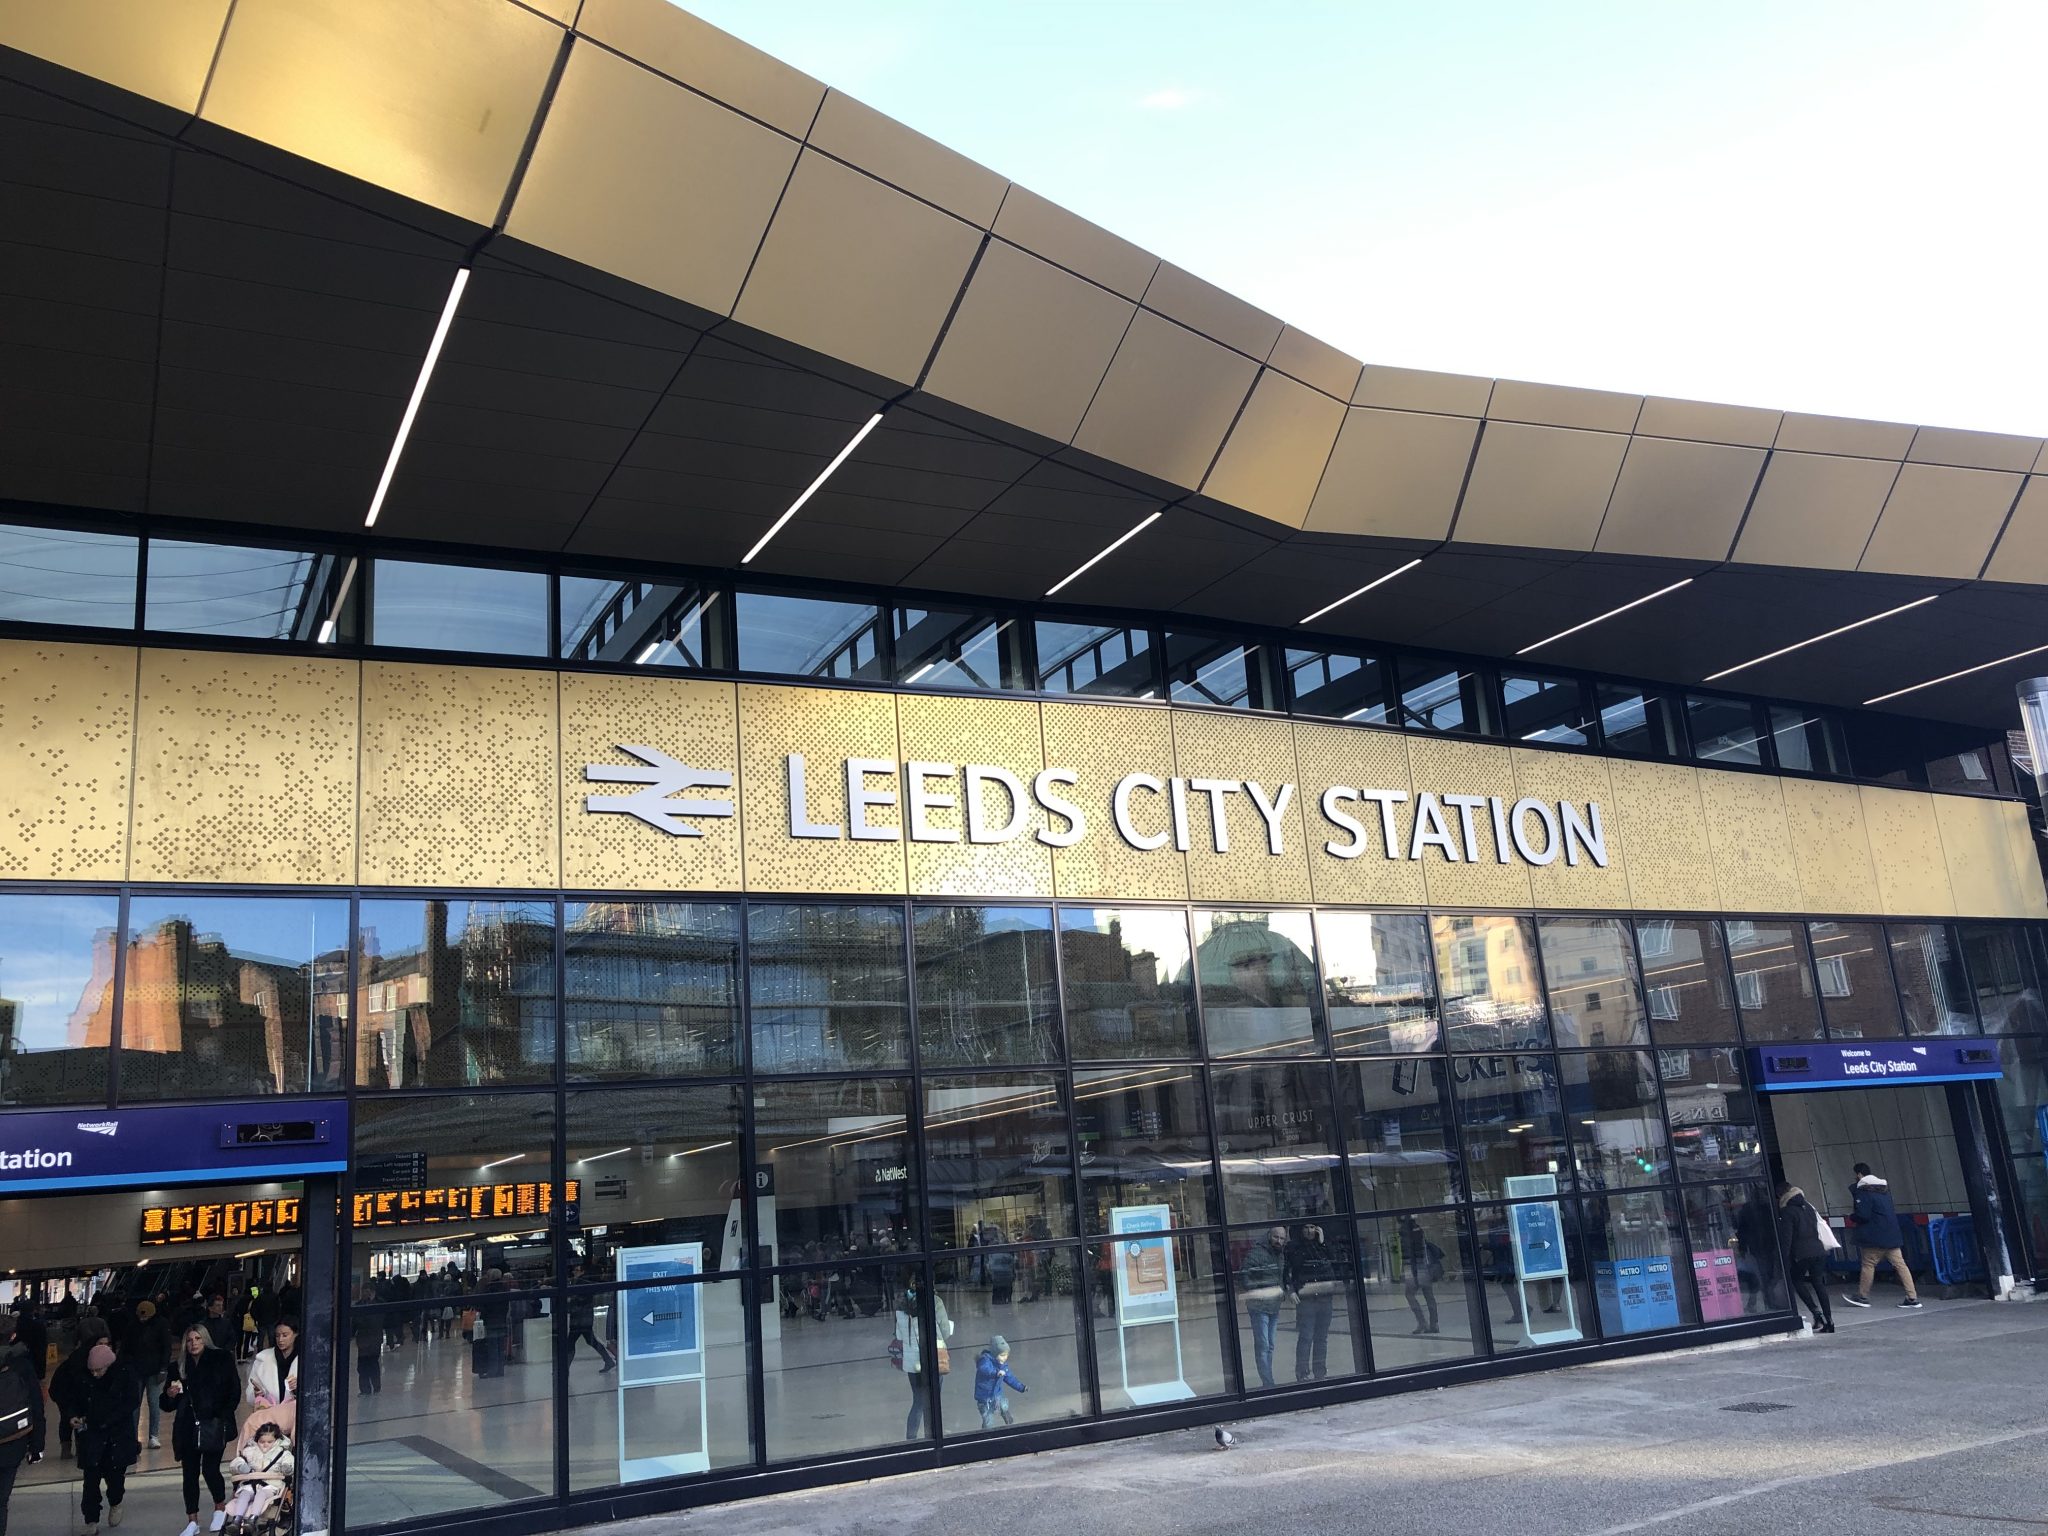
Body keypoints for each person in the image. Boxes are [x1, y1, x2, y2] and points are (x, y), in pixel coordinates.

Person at [162, 1322, 240, 1536]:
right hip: (187, 1426)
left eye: (197, 1339)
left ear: (205, 1339)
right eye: (189, 1340)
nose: (193, 1343)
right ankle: (192, 1520)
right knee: (190, 1474)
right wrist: (170, 1394)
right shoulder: (177, 1367)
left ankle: (219, 1507)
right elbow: (166, 1404)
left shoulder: (221, 1359)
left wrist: (222, 1416)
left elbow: (234, 1390)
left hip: (213, 1423)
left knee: (210, 1469)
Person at [56, 1341, 140, 1536]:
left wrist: (105, 1420)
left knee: (115, 1478)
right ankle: (91, 1519)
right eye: (92, 1370)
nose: (95, 1374)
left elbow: (130, 1403)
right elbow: (73, 1401)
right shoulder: (82, 1379)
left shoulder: (124, 1375)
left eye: (99, 1370)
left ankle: (116, 1501)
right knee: (90, 1480)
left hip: (116, 1436)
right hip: (91, 1435)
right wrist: (73, 1416)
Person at [1843, 1163, 1922, 1309]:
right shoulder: (1884, 1191)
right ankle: (1912, 1297)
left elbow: (1864, 1215)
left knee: (1868, 1264)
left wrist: (1852, 1216)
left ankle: (1862, 1296)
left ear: (1859, 1174)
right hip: (1891, 1235)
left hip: (1874, 1236)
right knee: (1900, 1265)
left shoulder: (1864, 1192)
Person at [0, 1308, 48, 1536]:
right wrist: (37, 1445)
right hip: (12, 1441)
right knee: (1, 1500)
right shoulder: (21, 1364)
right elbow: (36, 1407)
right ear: (12, 1336)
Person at [894, 1275, 953, 1439]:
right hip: (933, 1357)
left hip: (912, 1361)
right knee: (934, 1399)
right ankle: (934, 1434)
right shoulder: (934, 1301)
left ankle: (911, 1437)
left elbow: (899, 1335)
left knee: (918, 1401)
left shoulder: (901, 1304)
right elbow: (945, 1332)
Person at [1775, 1182, 1835, 1334]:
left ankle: (1816, 1313)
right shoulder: (1808, 1206)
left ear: (1781, 1195)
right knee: (1818, 1283)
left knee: (1797, 1281)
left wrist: (1783, 1258)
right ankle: (1830, 1320)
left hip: (1801, 1253)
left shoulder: (1788, 1212)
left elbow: (1787, 1238)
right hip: (1818, 1249)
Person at [1286, 1223, 1340, 1381]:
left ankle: (1320, 1371)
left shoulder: (1323, 1245)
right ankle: (1302, 1372)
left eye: (1312, 1228)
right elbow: (1288, 1270)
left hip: (1324, 1296)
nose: (1309, 1231)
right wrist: (1291, 1290)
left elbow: (1333, 1258)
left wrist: (1322, 1241)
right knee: (1306, 1336)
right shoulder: (1295, 1247)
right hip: (1306, 1297)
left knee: (1321, 1337)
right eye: (1306, 1228)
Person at [51, 1316, 110, 1459]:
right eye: (101, 1343)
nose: (104, 1347)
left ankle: (78, 1447)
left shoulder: (86, 1354)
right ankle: (69, 1447)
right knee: (68, 1417)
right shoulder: (81, 1359)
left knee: (76, 1417)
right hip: (65, 1391)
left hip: (71, 1390)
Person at [1237, 1226, 1289, 1389]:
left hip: (1273, 1305)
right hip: (1259, 1306)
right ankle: (1268, 1382)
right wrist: (1258, 1291)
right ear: (1269, 1236)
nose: (1279, 1241)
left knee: (1270, 1344)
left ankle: (1268, 1379)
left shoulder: (1279, 1254)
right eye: (1276, 1237)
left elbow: (1279, 1276)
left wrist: (1281, 1292)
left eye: (1282, 1238)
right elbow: (1244, 1275)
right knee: (1263, 1345)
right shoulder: (1256, 1253)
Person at [221, 1422, 292, 1530]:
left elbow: (290, 1463)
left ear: (277, 1440)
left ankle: (252, 1519)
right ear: (256, 1440)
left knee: (261, 1494)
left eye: (269, 1442)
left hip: (271, 1485)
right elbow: (237, 1461)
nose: (265, 1444)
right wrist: (240, 1466)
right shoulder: (249, 1451)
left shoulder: (283, 1453)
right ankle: (237, 1519)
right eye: (262, 1441)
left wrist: (287, 1468)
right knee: (244, 1494)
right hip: (250, 1484)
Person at [244, 1318, 299, 1444]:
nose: (280, 1339)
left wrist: (298, 1388)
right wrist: (257, 1394)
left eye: (285, 1335)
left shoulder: (305, 1359)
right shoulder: (263, 1359)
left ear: (295, 1334)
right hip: (269, 1422)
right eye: (278, 1335)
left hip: (294, 1420)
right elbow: (250, 1395)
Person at [128, 1300, 172, 1450]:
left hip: (155, 1371)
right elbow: (127, 1348)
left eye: (145, 1317)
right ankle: (132, 1437)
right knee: (134, 1404)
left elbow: (167, 1347)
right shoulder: (133, 1326)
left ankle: (154, 1436)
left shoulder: (162, 1325)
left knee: (154, 1402)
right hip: (136, 1370)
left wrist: (163, 1368)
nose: (143, 1320)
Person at [1401, 1213, 1443, 1337]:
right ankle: (1434, 1324)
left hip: (1413, 1266)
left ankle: (1422, 1323)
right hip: (1425, 1266)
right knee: (1429, 1295)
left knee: (1409, 1294)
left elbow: (1408, 1253)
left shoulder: (1404, 1231)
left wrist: (1406, 1271)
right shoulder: (1419, 1229)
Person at [972, 1336, 1027, 1429]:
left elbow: (1010, 1378)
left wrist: (1021, 1387)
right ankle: (987, 1435)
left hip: (997, 1394)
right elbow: (984, 1369)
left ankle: (1007, 1415)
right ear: (994, 1353)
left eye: (1006, 1355)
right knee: (988, 1419)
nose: (1005, 1358)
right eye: (1002, 1355)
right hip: (984, 1397)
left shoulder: (1003, 1365)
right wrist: (996, 1373)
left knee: (1003, 1405)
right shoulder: (985, 1360)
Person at [564, 1275, 616, 1373]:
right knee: (590, 1341)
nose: (575, 1272)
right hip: (582, 1319)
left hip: (580, 1320)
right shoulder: (581, 1282)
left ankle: (565, 1368)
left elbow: (581, 1300)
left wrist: (571, 1300)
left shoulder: (582, 1283)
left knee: (571, 1343)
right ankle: (608, 1360)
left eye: (577, 1270)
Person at [351, 1287, 384, 1397]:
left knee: (373, 1364)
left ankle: (375, 1386)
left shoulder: (379, 1304)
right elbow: (354, 1323)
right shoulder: (359, 1306)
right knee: (363, 1366)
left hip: (373, 1340)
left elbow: (380, 1320)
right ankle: (365, 1389)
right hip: (364, 1341)